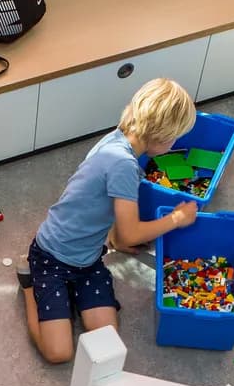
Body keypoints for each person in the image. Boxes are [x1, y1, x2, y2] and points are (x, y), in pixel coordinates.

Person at [19, 78, 200, 364]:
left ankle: (69, 296)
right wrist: (177, 218)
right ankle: (30, 287)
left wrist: (116, 237)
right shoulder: (124, 165)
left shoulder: (120, 139)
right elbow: (130, 235)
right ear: (161, 136)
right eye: (174, 138)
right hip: (51, 257)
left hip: (88, 261)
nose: (175, 143)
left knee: (107, 344)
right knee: (59, 353)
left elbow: (109, 207)